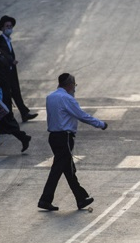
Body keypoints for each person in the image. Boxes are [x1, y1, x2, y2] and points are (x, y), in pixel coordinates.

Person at [38, 73, 107, 211]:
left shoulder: (50, 97)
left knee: (68, 169)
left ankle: (81, 198)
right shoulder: (67, 98)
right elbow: (82, 116)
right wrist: (100, 124)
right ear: (69, 85)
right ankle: (45, 199)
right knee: (58, 169)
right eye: (74, 85)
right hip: (65, 138)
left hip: (53, 137)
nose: (74, 88)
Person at [0, 15, 37, 123]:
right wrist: (11, 61)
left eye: (10, 26)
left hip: (11, 71)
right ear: (2, 28)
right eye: (7, 26)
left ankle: (24, 113)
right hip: (4, 72)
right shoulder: (0, 40)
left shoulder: (8, 40)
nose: (9, 28)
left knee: (16, 92)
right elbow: (2, 53)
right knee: (3, 93)